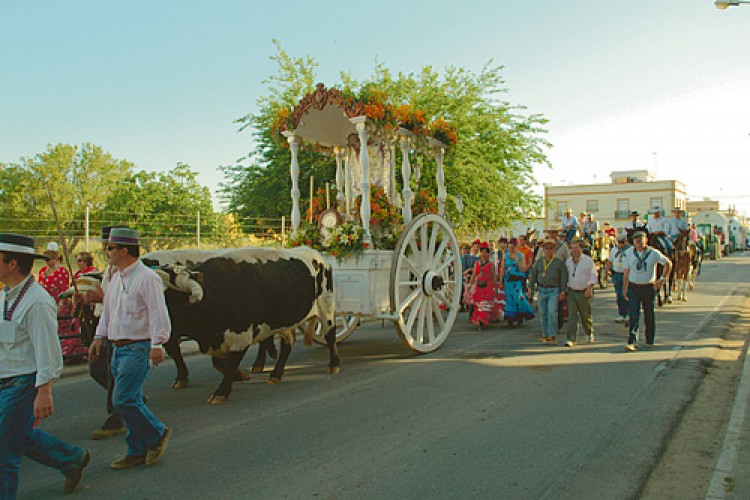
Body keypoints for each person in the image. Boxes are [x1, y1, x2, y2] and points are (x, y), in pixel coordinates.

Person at [0, 233, 90, 497]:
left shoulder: (37, 302)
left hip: (22, 383)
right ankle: (71, 458)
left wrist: (44, 391)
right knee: (17, 435)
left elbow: (48, 350)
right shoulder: (5, 296)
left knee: (5, 450)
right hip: (5, 378)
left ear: (12, 264)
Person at [89, 228, 172, 469]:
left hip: (137, 347)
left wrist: (157, 344)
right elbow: (109, 311)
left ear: (124, 250)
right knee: (129, 399)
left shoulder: (147, 278)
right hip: (117, 348)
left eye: (110, 248)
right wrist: (98, 336)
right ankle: (136, 449)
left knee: (122, 399)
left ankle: (157, 433)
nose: (106, 252)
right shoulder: (117, 278)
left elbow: (158, 313)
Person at [622, 231, 672, 351]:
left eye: (640, 238)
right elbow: (626, 271)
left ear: (646, 240)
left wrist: (663, 279)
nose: (638, 241)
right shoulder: (629, 253)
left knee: (649, 314)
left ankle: (649, 339)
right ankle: (632, 341)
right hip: (634, 287)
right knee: (633, 314)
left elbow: (668, 263)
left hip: (648, 287)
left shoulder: (653, 253)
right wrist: (624, 288)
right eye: (635, 239)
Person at [527, 239, 568, 344]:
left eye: (551, 248)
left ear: (554, 250)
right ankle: (545, 335)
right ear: (543, 250)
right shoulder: (539, 262)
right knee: (543, 313)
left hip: (553, 289)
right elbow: (533, 276)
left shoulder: (559, 262)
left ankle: (553, 335)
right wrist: (530, 289)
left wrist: (562, 291)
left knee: (552, 312)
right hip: (541, 289)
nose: (548, 250)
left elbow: (563, 278)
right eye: (546, 248)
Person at [564, 239, 597, 347]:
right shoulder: (568, 261)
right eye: (572, 248)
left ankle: (589, 332)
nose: (574, 250)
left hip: (584, 291)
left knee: (585, 315)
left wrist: (590, 288)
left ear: (581, 249)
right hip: (572, 292)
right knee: (572, 316)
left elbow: (593, 275)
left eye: (577, 248)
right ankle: (571, 338)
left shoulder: (588, 261)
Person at [499, 239, 535, 327]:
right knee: (510, 299)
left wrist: (517, 260)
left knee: (519, 298)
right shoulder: (505, 255)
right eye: (510, 246)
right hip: (508, 280)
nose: (512, 248)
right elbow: (502, 269)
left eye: (514, 246)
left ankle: (520, 317)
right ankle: (510, 319)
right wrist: (501, 282)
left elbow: (523, 269)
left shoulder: (521, 255)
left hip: (517, 280)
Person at [467, 242, 497, 330]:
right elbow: (473, 276)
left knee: (484, 306)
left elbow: (494, 276)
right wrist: (470, 285)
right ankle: (480, 321)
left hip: (487, 286)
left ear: (488, 254)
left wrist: (495, 288)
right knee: (478, 306)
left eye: (485, 252)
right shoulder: (477, 264)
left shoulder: (491, 265)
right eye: (482, 252)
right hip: (479, 287)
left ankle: (483, 321)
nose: (483, 254)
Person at [607, 233, 631, 323]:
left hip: (627, 274)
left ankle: (629, 313)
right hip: (617, 274)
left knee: (626, 294)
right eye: (619, 242)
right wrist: (606, 271)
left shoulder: (630, 250)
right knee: (619, 295)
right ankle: (622, 314)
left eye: (622, 242)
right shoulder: (614, 250)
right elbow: (610, 261)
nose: (620, 244)